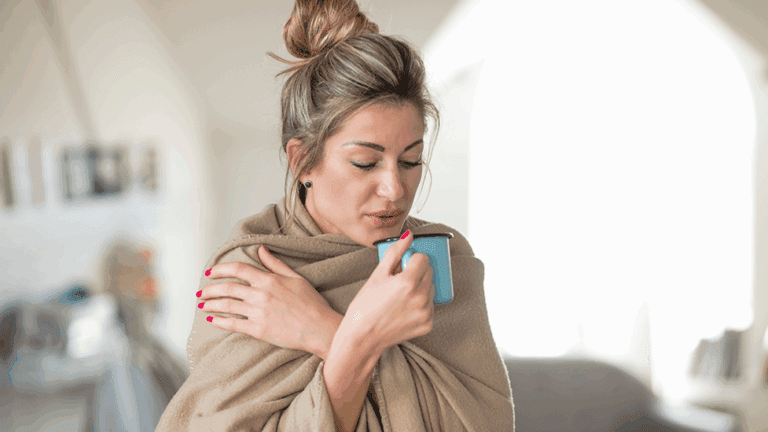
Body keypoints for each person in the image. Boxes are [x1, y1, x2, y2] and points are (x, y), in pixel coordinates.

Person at [155, 1, 515, 431]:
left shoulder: (439, 261)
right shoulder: (248, 278)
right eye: (365, 162)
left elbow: (483, 425)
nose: (395, 190)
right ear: (303, 159)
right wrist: (359, 341)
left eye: (411, 161)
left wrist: (329, 332)